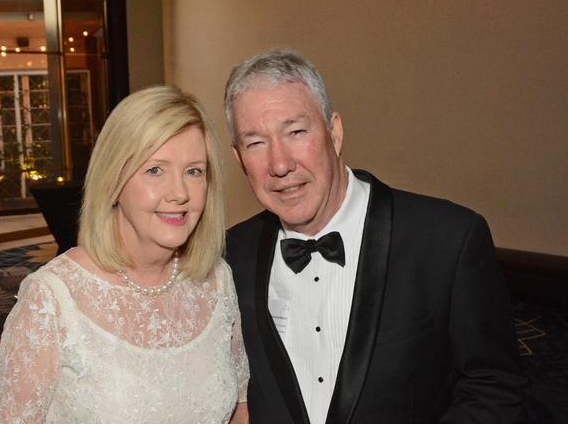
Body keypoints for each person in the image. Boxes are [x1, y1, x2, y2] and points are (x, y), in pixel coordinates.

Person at [224, 50, 526, 424]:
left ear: (334, 133)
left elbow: (493, 387)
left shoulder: (447, 240)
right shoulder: (231, 256)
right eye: (256, 143)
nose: (280, 164)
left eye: (296, 132)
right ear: (239, 160)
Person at [0, 86, 249, 424]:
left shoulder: (217, 280)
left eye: (194, 171)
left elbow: (240, 408)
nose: (180, 192)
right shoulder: (51, 300)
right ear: (114, 180)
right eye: (155, 170)